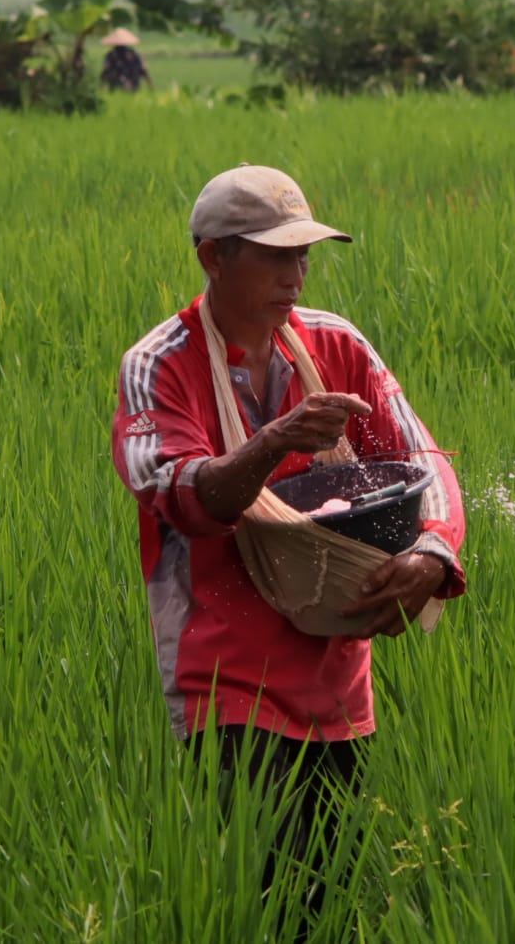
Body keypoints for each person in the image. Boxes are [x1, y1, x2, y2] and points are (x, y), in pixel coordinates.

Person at [110, 164, 467, 935]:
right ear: (213, 256)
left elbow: (422, 459)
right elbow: (178, 493)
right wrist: (271, 443)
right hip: (225, 676)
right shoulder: (158, 364)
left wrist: (434, 553)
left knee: (331, 900)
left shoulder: (336, 345)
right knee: (261, 896)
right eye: (274, 255)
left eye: (304, 254)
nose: (296, 274)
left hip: (339, 672)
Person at [100, 27, 152, 92]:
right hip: (117, 84)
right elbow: (145, 71)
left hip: (131, 83)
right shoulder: (112, 56)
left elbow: (144, 71)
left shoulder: (134, 55)